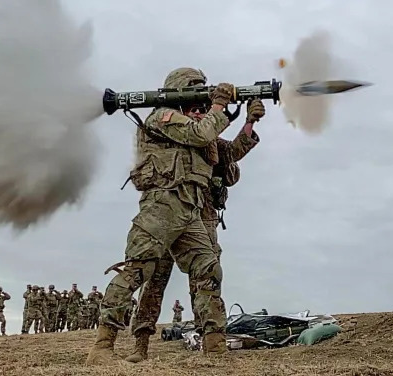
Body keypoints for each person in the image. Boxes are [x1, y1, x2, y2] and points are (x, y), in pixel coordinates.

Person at [86, 68, 234, 365]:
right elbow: (200, 132)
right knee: (137, 271)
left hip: (190, 209)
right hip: (162, 205)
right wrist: (218, 105)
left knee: (208, 269)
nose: (202, 93)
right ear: (180, 89)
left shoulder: (191, 123)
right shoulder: (163, 116)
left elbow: (217, 145)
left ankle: (215, 346)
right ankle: (102, 347)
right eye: (196, 88)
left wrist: (240, 120)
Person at [125, 94, 263, 362]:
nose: (199, 113)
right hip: (170, 212)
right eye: (194, 108)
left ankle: (210, 343)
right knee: (154, 278)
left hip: (204, 214)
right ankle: (139, 344)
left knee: (206, 277)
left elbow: (231, 152)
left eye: (203, 109)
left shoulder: (208, 139)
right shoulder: (177, 133)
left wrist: (249, 122)